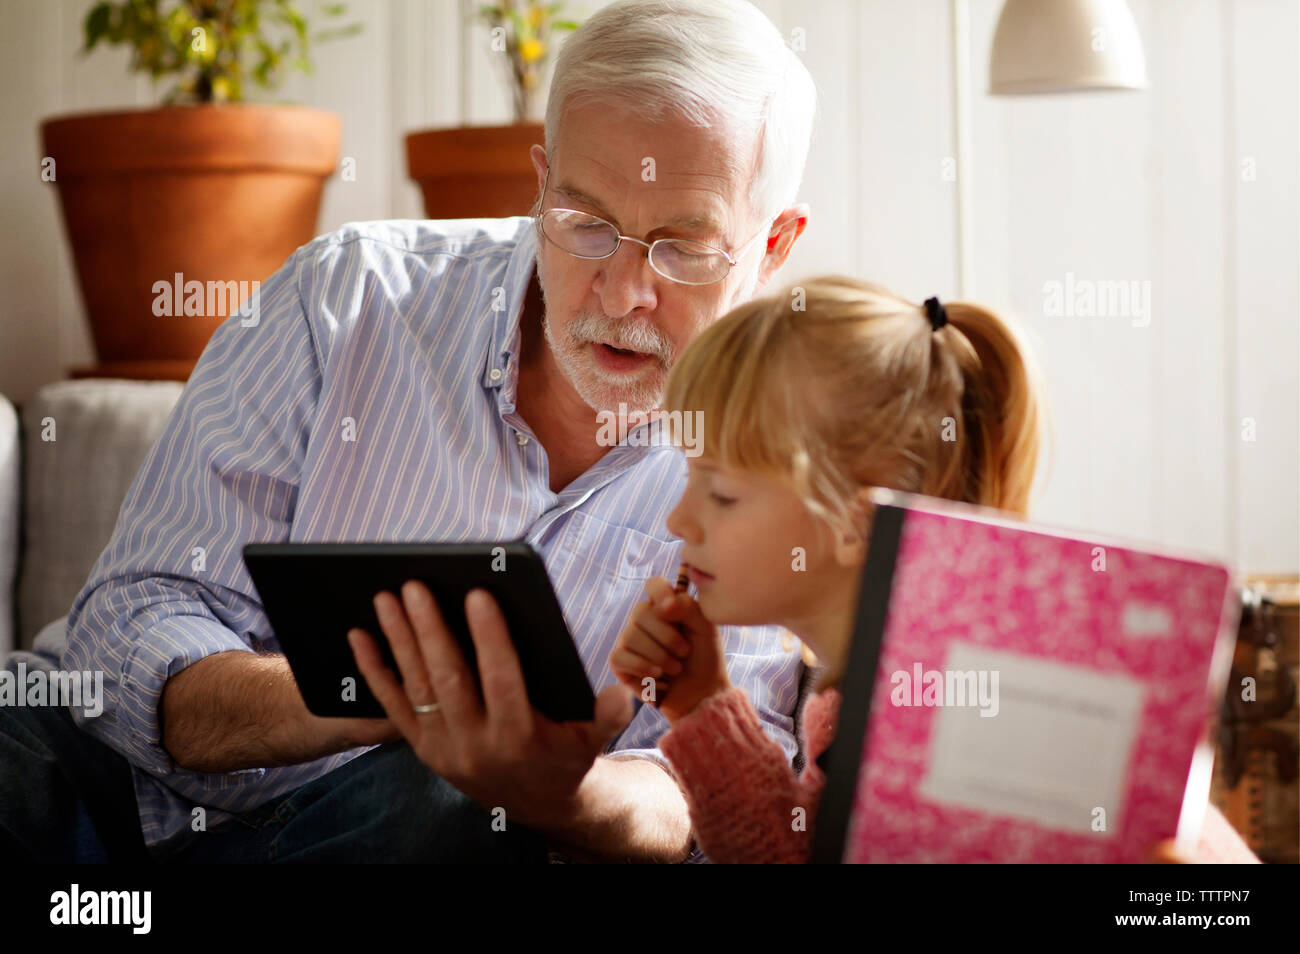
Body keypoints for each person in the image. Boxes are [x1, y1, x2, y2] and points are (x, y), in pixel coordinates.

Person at [0, 0, 816, 863]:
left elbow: (703, 801)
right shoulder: (346, 296)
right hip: (96, 788)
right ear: (541, 186)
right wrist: (381, 696)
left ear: (773, 249)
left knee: (459, 807)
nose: (620, 295)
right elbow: (130, 621)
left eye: (682, 250)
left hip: (410, 832)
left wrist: (566, 793)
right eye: (585, 225)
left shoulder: (783, 456)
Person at [610, 276, 1259, 863]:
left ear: (853, 524)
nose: (679, 520)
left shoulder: (941, 704)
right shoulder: (858, 698)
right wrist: (699, 704)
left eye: (720, 493)